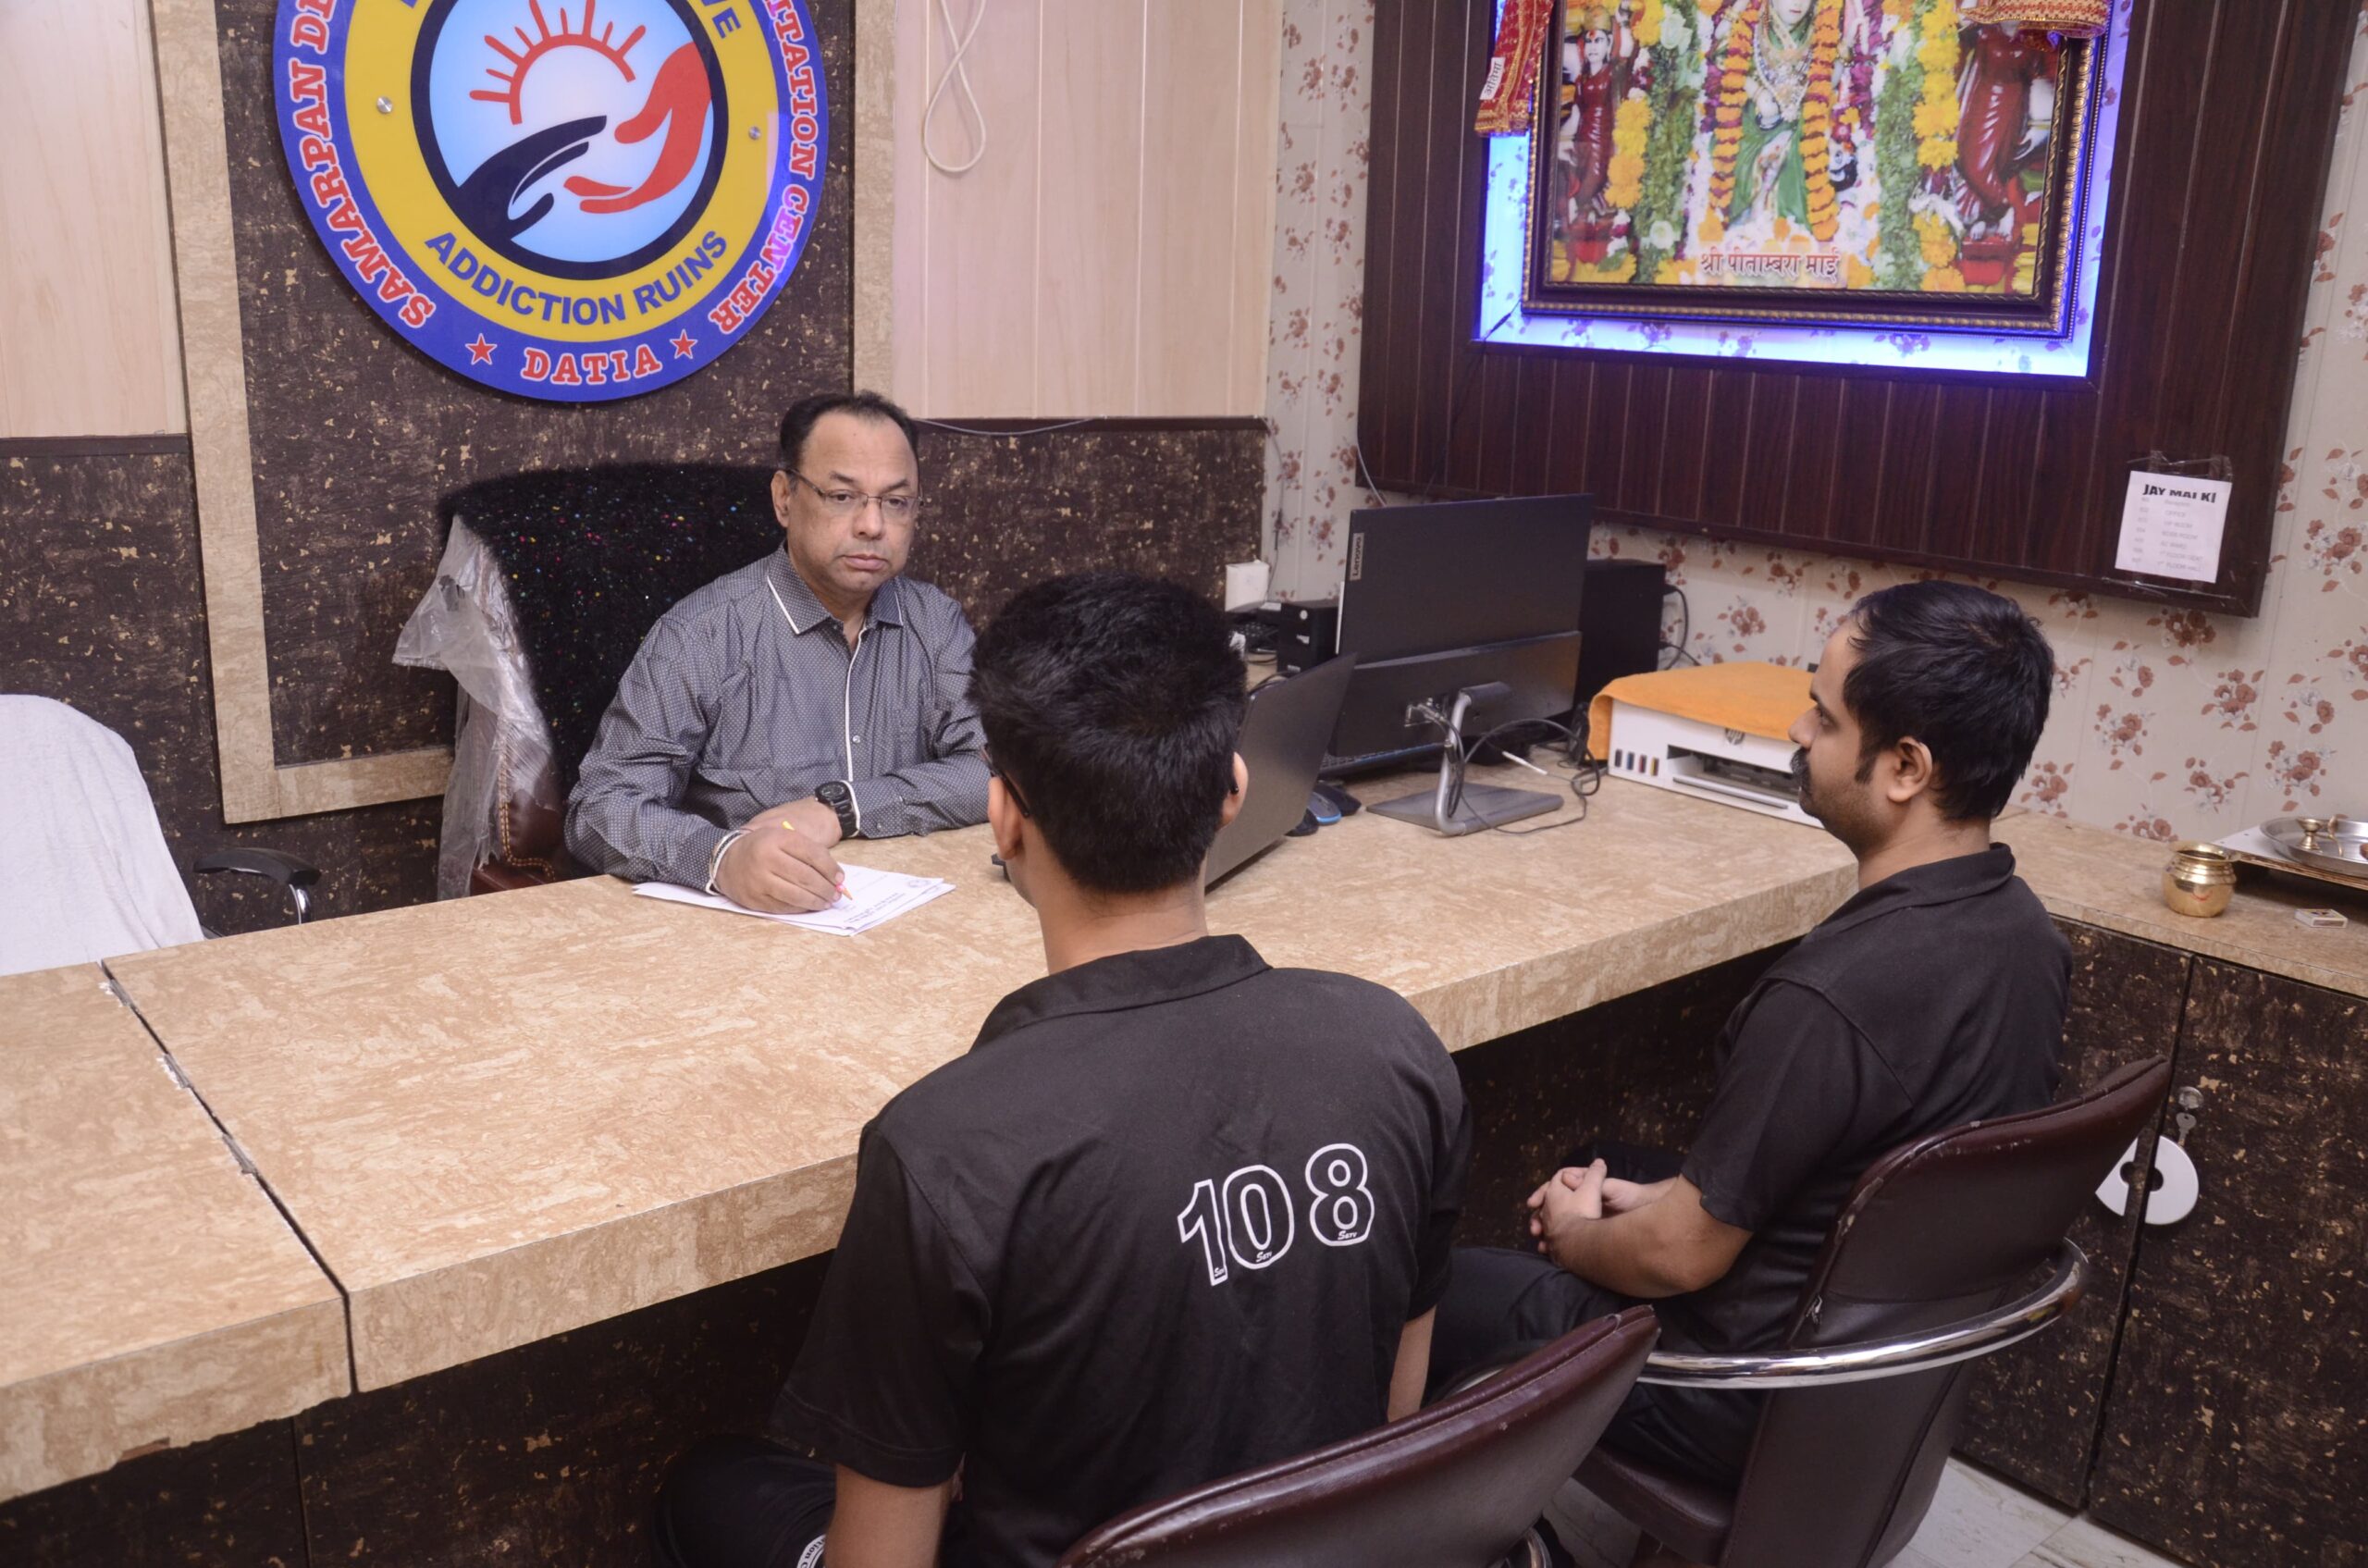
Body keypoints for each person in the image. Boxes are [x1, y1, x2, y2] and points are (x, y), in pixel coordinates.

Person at [654, 573, 1473, 1568]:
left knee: (711, 1485)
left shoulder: (945, 1148)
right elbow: (1393, 1422)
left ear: (1003, 817)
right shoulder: (1396, 1047)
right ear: (1232, 792)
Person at [1429, 579, 2070, 1526]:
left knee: (1429, 1288)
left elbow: (1681, 1258)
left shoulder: (1829, 999)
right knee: (1601, 1163)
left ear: (1904, 766)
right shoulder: (2025, 934)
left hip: (1743, 1388)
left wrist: (1575, 1233)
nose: (1799, 732)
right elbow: (1832, 1170)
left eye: (1824, 716)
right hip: (1875, 1374)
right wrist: (1656, 1196)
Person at [564, 391, 989, 911]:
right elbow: (599, 809)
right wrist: (719, 859)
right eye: (842, 496)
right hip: (749, 930)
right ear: (785, 498)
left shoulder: (935, 623)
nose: (872, 525)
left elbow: (995, 770)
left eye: (895, 502)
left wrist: (844, 809)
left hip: (904, 919)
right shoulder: (702, 634)